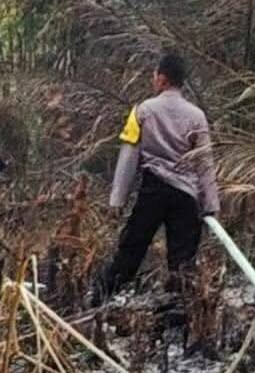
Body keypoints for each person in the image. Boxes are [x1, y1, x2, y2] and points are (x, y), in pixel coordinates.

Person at [91, 54, 219, 307]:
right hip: (186, 196)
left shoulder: (142, 111)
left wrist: (117, 201)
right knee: (182, 262)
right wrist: (210, 205)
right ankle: (176, 317)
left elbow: (128, 158)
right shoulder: (197, 117)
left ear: (161, 78)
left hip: (154, 190)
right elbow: (204, 164)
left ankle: (98, 301)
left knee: (131, 249)